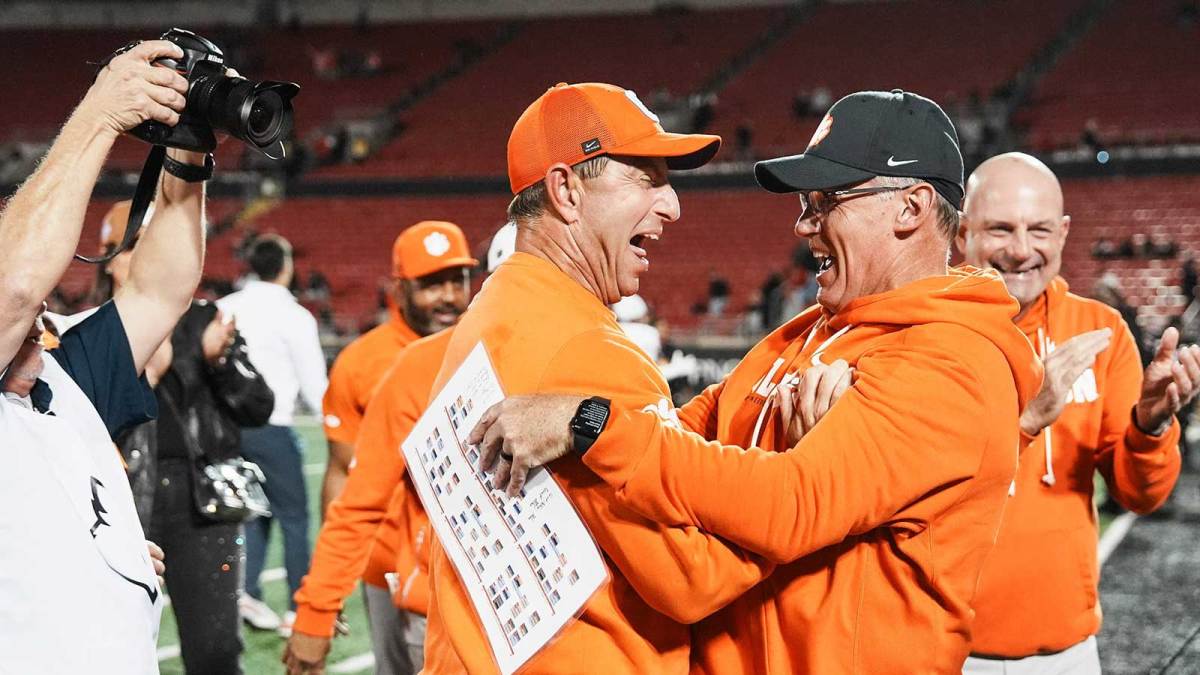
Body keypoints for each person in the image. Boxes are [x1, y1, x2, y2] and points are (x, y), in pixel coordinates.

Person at [471, 90, 1043, 673]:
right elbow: (690, 426)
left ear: (912, 208)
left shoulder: (955, 362)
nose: (803, 225)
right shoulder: (816, 329)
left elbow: (792, 505)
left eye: (824, 202)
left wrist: (588, 424)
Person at [424, 81, 781, 675]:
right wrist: (795, 468)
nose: (673, 205)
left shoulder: (501, 302)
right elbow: (691, 579)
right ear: (566, 189)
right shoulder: (586, 346)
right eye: (647, 176)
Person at [0, 38, 206, 674]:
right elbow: (15, 287)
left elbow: (159, 289)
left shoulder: (61, 369)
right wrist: (101, 114)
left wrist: (190, 152)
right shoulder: (19, 311)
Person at [956, 152, 1194, 673]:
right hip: (944, 651)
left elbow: (1138, 495)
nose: (1021, 251)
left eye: (1039, 229)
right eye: (1001, 229)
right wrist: (1024, 419)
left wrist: (1150, 426)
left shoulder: (1100, 334)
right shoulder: (926, 335)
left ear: (1062, 233)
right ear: (961, 234)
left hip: (1067, 653)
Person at [286, 224, 515, 675]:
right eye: (431, 284)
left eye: (456, 281)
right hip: (387, 561)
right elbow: (344, 479)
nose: (448, 296)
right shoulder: (364, 361)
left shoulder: (485, 349)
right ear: (399, 289)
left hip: (473, 565)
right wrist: (330, 589)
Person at [90, 200, 275, 674]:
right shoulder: (86, 333)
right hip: (116, 504)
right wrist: (141, 376)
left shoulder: (205, 319)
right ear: (107, 258)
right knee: (112, 648)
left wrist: (220, 362)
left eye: (155, 247)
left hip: (202, 505)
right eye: (132, 248)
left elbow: (259, 406)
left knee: (216, 651)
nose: (146, 260)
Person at [218, 234, 329, 634]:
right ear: (286, 266)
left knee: (251, 514)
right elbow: (315, 387)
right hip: (274, 425)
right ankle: (299, 608)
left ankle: (247, 591)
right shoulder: (295, 316)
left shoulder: (224, 307)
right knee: (295, 519)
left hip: (229, 427)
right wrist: (330, 424)